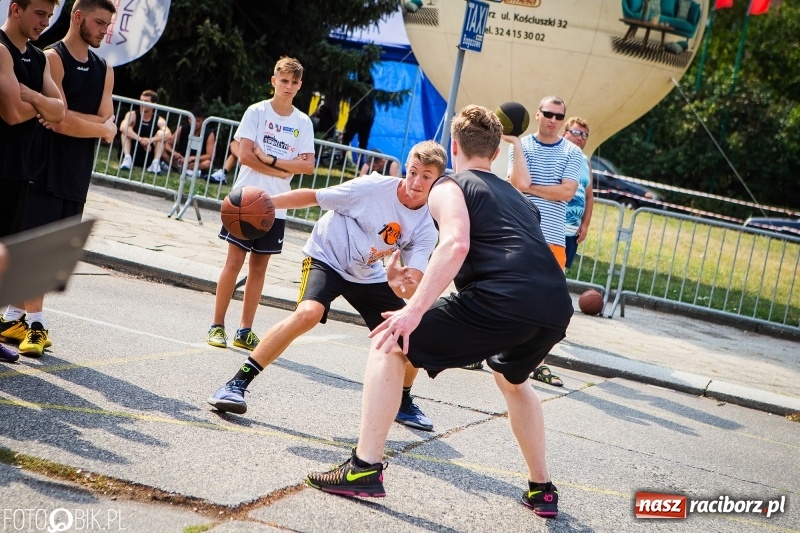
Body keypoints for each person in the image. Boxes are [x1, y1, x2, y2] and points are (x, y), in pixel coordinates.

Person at [305, 105, 573, 520]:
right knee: (513, 380)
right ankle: (543, 490)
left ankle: (363, 469)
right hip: (554, 306)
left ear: (454, 146)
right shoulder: (518, 199)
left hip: (503, 299)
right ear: (496, 150)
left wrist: (411, 311)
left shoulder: (450, 185)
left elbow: (455, 245)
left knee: (390, 340)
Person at [208, 140, 447, 431]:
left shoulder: (426, 224)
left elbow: (414, 283)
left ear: (437, 181)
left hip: (367, 272)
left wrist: (400, 285)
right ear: (405, 168)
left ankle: (403, 401)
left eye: (426, 176)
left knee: (411, 332)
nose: (416, 181)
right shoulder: (372, 188)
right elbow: (315, 196)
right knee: (308, 313)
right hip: (327, 255)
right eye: (413, 172)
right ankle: (235, 384)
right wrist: (269, 203)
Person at [7, 0, 117, 358]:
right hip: (44, 167)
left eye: (107, 24)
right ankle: (35, 323)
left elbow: (109, 127)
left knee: (52, 252)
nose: (104, 30)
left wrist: (86, 124)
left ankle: (13, 316)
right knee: (39, 246)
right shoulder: (51, 58)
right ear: (78, 16)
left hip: (76, 172)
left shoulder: (105, 68)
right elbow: (59, 120)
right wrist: (94, 125)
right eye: (99, 22)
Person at [207, 57, 315, 352]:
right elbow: (244, 156)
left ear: (300, 85)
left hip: (275, 206)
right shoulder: (257, 111)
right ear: (274, 81)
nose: (289, 86)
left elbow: (307, 166)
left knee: (259, 269)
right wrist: (284, 168)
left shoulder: (302, 122)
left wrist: (268, 159)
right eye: (284, 80)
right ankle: (217, 325)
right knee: (233, 262)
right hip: (245, 200)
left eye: (294, 82)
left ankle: (245, 330)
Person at [0, 0, 65, 355]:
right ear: (15, 9)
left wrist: (34, 97)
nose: (46, 21)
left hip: (20, 170)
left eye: (50, 15)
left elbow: (60, 110)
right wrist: (41, 105)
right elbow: (10, 112)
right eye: (39, 13)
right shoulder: (1, 49)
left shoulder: (39, 58)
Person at [505, 96, 583, 388]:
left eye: (559, 116)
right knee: (504, 294)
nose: (553, 120)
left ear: (563, 120)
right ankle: (483, 349)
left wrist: (531, 188)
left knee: (547, 306)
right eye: (548, 114)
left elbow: (566, 192)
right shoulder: (521, 145)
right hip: (519, 232)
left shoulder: (572, 152)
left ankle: (536, 362)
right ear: (537, 115)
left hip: (551, 238)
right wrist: (515, 146)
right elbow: (516, 182)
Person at [562, 117, 593, 270]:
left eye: (584, 135)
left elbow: (589, 196)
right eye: (576, 133)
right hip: (552, 228)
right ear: (564, 133)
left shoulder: (585, 161)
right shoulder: (557, 153)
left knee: (561, 275)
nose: (580, 138)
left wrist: (585, 225)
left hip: (572, 232)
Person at [118, 89, 169, 174]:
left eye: (146, 101)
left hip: (148, 155)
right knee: (127, 130)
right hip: (132, 150)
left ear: (154, 104)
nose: (142, 104)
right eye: (141, 101)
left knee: (161, 134)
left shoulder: (159, 120)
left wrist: (150, 140)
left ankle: (155, 163)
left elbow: (168, 134)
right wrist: (141, 140)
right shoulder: (133, 115)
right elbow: (122, 127)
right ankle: (127, 159)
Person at [162, 106, 215, 178]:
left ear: (203, 121)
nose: (195, 124)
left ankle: (190, 170)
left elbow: (209, 155)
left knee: (208, 163)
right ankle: (181, 169)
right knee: (162, 150)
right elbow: (167, 144)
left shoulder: (209, 134)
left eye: (198, 121)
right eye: (193, 120)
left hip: (197, 162)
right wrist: (174, 153)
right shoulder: (182, 129)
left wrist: (193, 158)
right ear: (189, 119)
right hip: (181, 160)